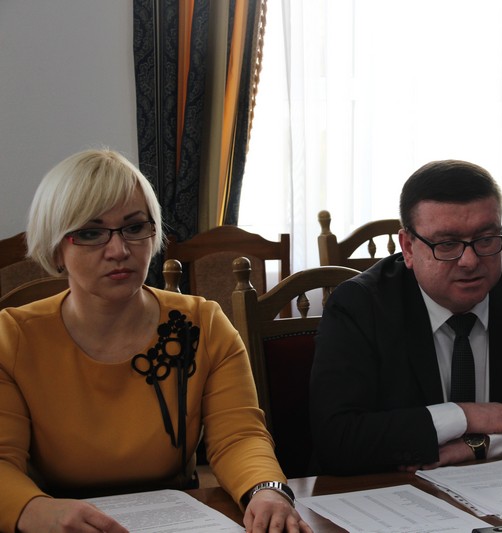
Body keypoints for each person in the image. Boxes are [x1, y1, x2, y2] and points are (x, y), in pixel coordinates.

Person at [0, 149, 311, 533]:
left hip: (179, 520)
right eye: (91, 233)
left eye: (135, 228)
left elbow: (239, 436)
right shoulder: (12, 338)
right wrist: (34, 510)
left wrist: (266, 490)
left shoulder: (203, 324)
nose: (119, 251)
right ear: (56, 248)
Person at [308, 159, 502, 476]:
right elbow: (336, 439)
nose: (470, 261)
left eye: (485, 240)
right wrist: (463, 416)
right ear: (408, 248)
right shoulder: (362, 306)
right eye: (447, 244)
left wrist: (485, 444)